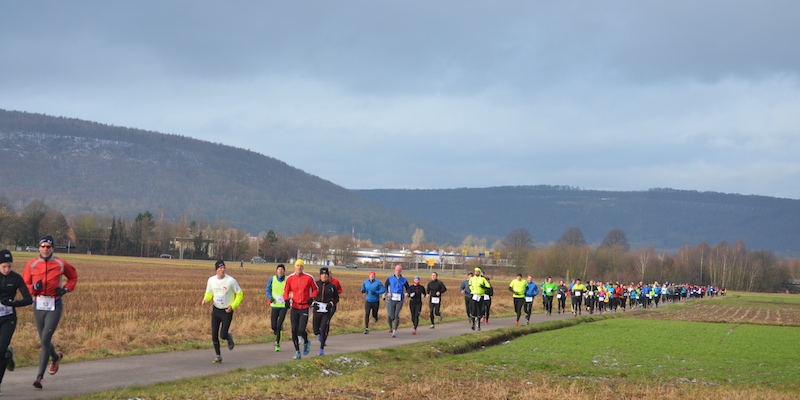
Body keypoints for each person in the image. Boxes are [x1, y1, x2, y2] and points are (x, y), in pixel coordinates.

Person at [23, 235, 78, 389]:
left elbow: (73, 277)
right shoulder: (32, 264)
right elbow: (24, 284)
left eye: (48, 246)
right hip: (38, 304)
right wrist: (33, 288)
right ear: (39, 247)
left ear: (52, 248)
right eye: (43, 246)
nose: (46, 249)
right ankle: (56, 357)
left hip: (55, 304)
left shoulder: (60, 263)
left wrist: (65, 289)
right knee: (44, 340)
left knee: (46, 338)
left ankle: (39, 377)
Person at [0, 250, 32, 395]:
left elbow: (28, 299)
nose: (7, 270)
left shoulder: (16, 278)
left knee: (0, 352)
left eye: (9, 266)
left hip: (8, 318)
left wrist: (12, 303)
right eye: (4, 266)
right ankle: (8, 353)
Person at [201, 260, 243, 364]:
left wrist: (233, 306)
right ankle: (218, 355)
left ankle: (228, 337)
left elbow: (240, 294)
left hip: (226, 310)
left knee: (222, 335)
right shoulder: (211, 280)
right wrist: (206, 299)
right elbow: (209, 293)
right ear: (216, 270)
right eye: (220, 268)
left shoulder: (231, 281)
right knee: (214, 333)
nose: (222, 270)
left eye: (224, 268)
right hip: (216, 310)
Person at [284, 259, 318, 360]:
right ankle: (297, 352)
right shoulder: (290, 278)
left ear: (303, 267)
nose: (299, 267)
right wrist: (286, 300)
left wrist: (312, 298)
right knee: (294, 330)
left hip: (305, 307)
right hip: (294, 306)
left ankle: (306, 341)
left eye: (301, 266)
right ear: (295, 267)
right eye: (298, 266)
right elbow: (286, 290)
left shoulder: (308, 277)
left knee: (301, 329)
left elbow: (316, 289)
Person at [312, 268, 339, 355]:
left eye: (326, 275)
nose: (324, 276)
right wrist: (313, 303)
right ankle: (319, 334)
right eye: (323, 274)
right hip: (317, 309)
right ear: (320, 275)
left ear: (328, 276)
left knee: (323, 328)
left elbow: (337, 298)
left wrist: (331, 303)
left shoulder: (332, 286)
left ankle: (321, 349)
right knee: (316, 330)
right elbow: (310, 295)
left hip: (327, 310)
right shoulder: (316, 284)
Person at [265, 264, 288, 351]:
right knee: (273, 326)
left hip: (283, 306)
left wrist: (289, 299)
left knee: (279, 325)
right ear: (276, 271)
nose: (280, 271)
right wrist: (270, 297)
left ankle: (277, 343)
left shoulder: (287, 279)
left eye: (282, 270)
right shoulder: (272, 279)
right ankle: (277, 331)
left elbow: (291, 290)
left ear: (284, 271)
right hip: (274, 305)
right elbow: (267, 289)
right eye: (279, 269)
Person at [384, 265, 409, 338]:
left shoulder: (404, 279)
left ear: (401, 271)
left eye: (399, 270)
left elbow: (408, 288)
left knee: (396, 314)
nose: (397, 272)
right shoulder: (390, 278)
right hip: (392, 298)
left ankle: (395, 330)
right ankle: (395, 323)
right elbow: (385, 286)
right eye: (396, 270)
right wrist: (387, 293)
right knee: (391, 316)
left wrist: (407, 293)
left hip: (400, 298)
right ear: (394, 271)